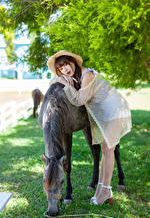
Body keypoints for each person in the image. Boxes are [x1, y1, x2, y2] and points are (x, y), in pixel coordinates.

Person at [47, 50, 132, 205]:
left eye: (66, 64)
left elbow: (79, 100)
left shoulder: (87, 75)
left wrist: (67, 85)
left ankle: (106, 190)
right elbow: (57, 84)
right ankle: (101, 190)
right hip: (104, 112)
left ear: (73, 62)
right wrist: (64, 81)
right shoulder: (76, 78)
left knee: (108, 150)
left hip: (114, 109)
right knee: (106, 150)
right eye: (61, 69)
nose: (65, 69)